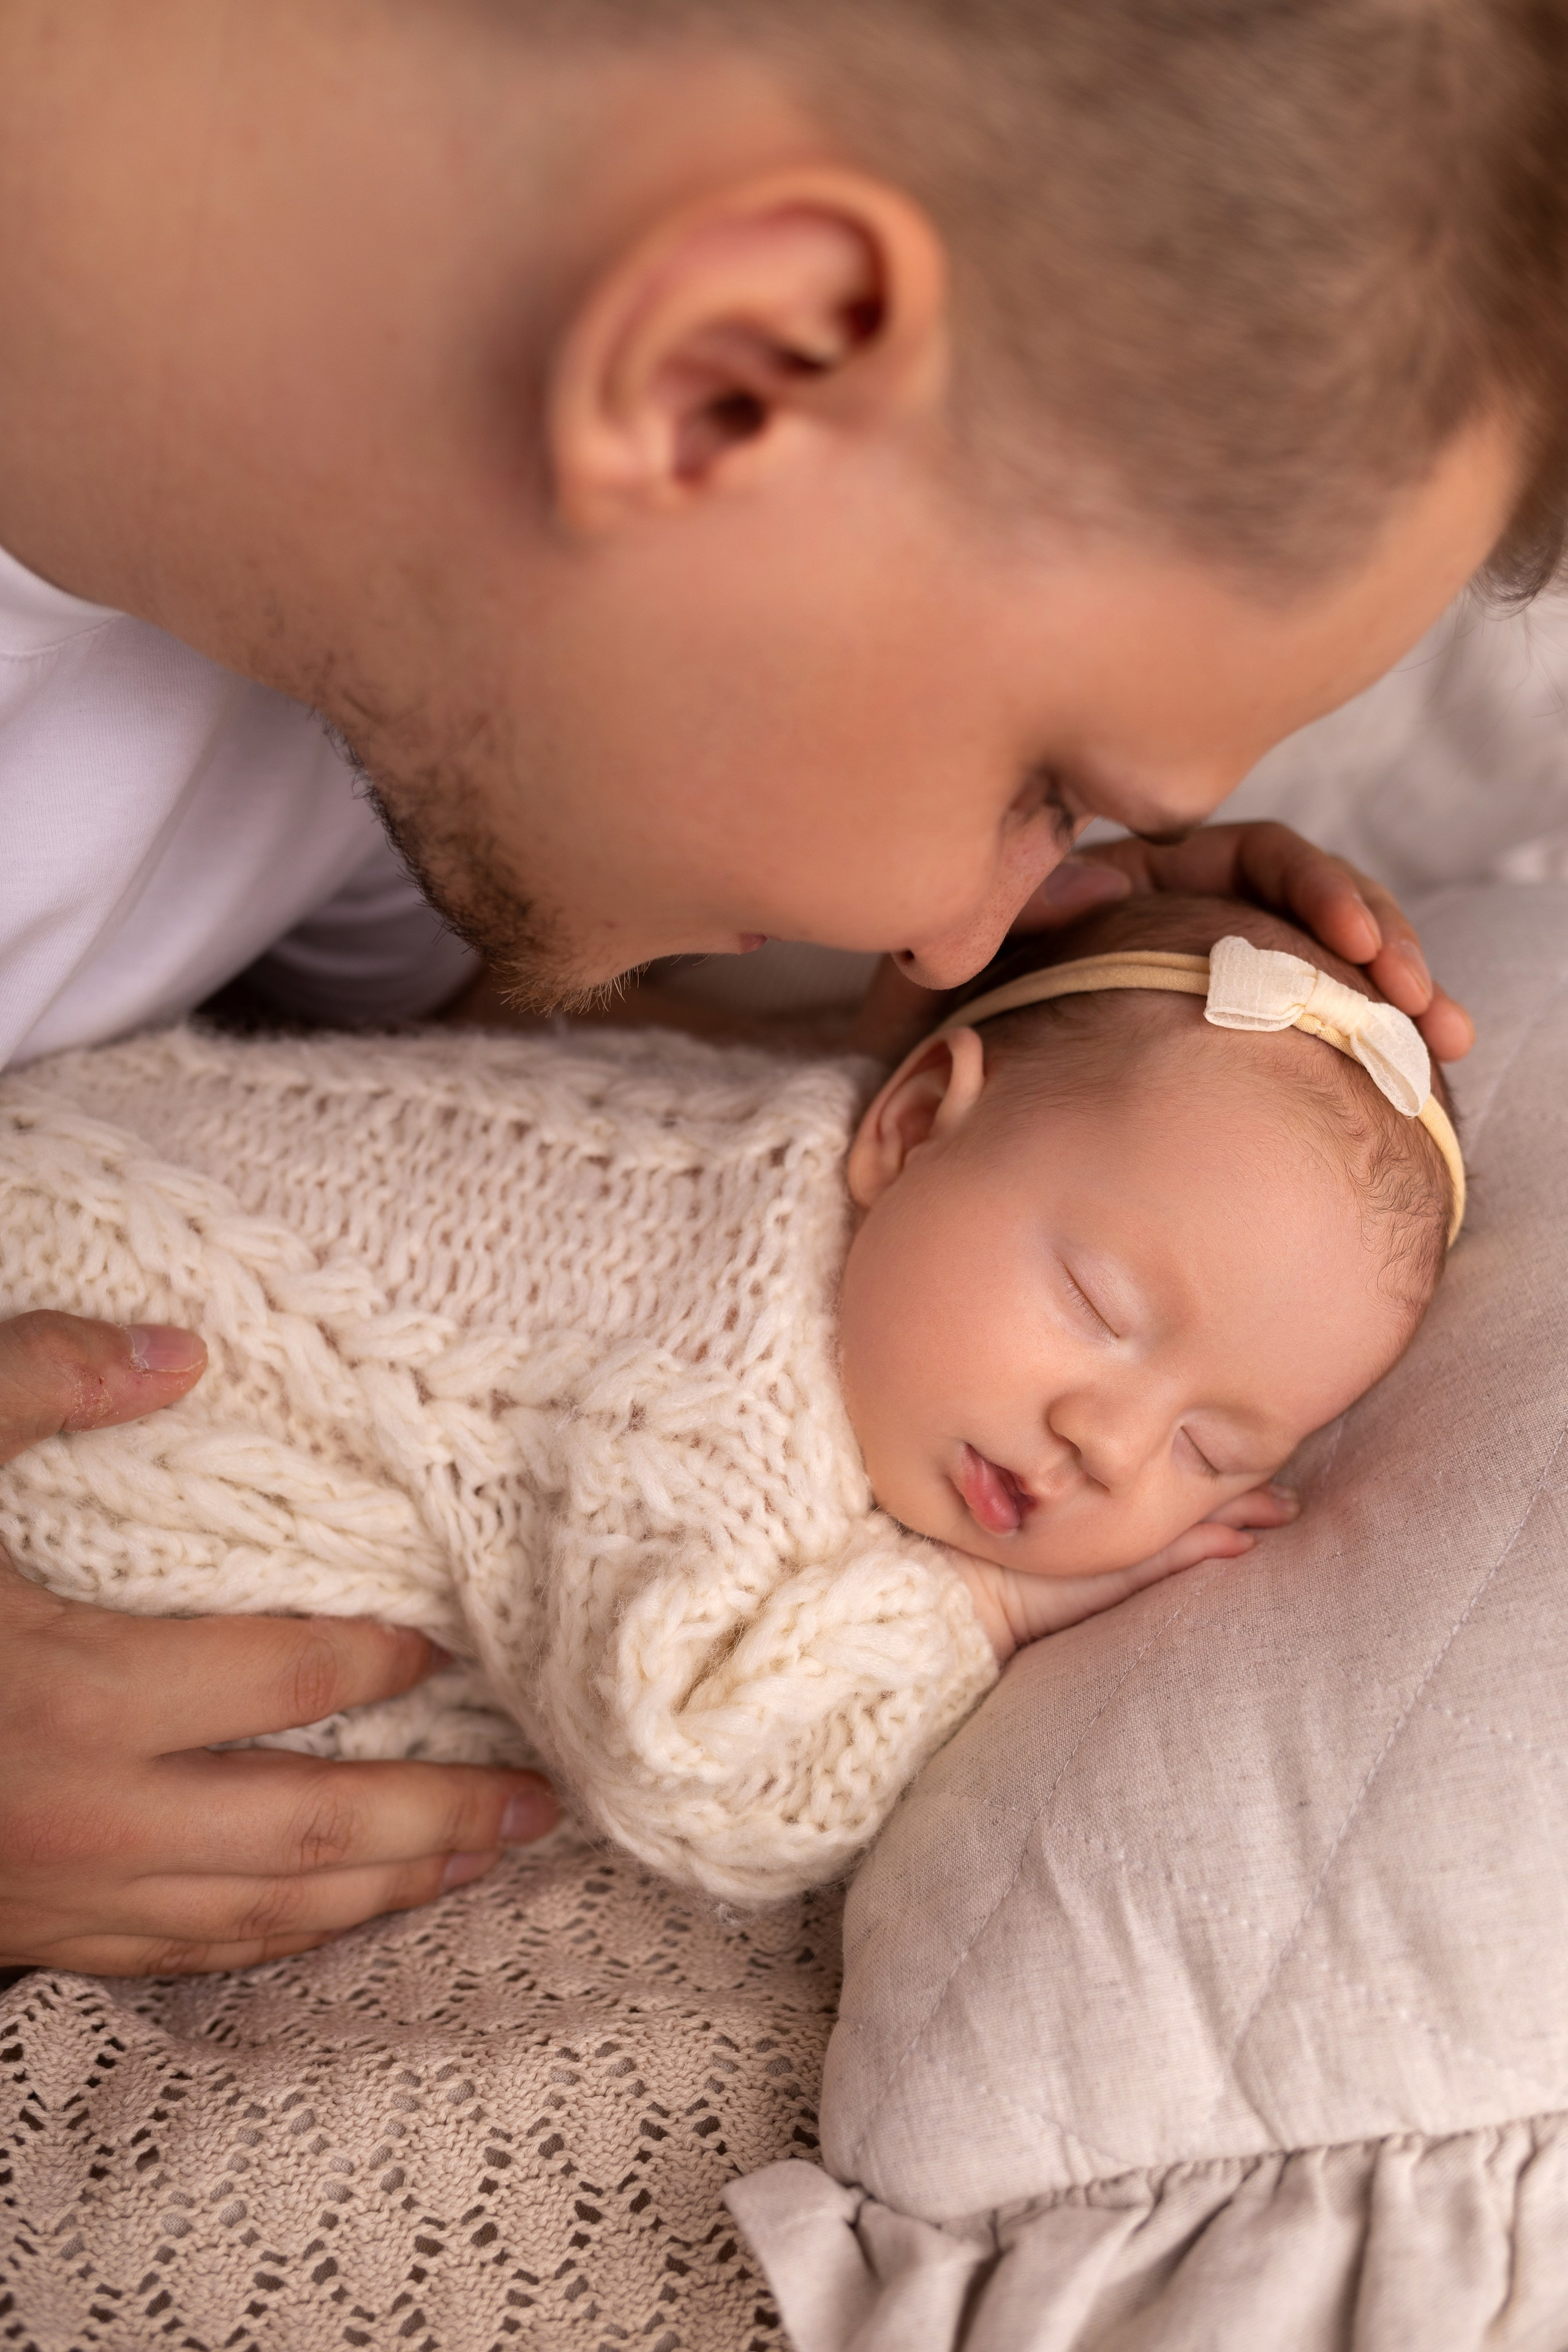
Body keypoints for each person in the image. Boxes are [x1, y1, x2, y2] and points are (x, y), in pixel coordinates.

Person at [0, 0, 1561, 1972]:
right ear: (732, 379)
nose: (967, 928)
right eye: (1044, 786)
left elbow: (433, 1139)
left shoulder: (398, 652)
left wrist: (1011, 1039)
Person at [0, 894, 1458, 1919]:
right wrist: (973, 1615)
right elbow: (703, 1778)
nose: (1110, 1442)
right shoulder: (722, 1399)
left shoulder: (810, 1143)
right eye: (1097, 1307)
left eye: (1213, 1451)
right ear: (906, 1123)